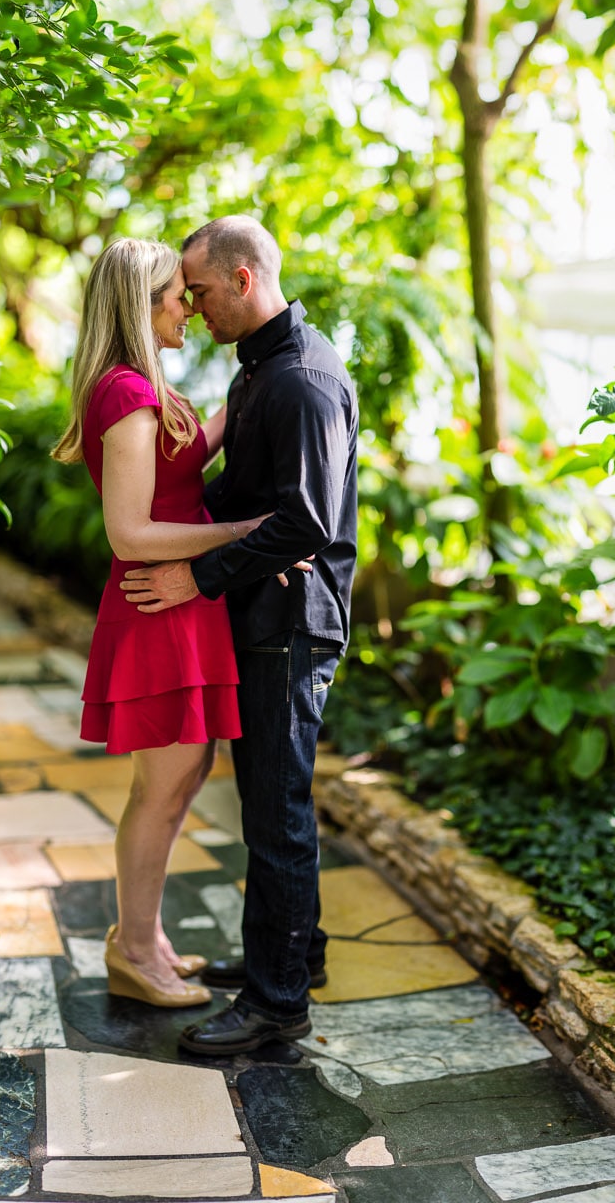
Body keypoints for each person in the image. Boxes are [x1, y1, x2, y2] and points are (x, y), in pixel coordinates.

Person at [119, 215, 358, 1056]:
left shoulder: (302, 381)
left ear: (245, 281)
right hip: (262, 615)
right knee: (269, 805)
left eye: (203, 290)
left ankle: (277, 1006)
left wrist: (194, 574)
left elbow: (306, 522)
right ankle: (290, 958)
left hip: (289, 625)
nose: (194, 306)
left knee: (276, 814)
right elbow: (239, 496)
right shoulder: (261, 372)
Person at [52, 237, 267, 1009]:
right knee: (162, 785)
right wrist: (243, 534)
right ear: (143, 307)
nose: (191, 306)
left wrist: (251, 389)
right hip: (158, 603)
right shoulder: (124, 394)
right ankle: (135, 951)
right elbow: (131, 533)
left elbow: (183, 466)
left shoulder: (143, 388)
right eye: (179, 294)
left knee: (182, 777)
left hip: (181, 603)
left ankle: (141, 938)